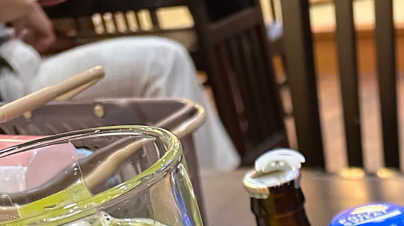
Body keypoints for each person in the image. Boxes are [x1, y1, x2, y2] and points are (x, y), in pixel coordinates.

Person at [0, 0, 240, 170]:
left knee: (164, 62)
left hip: (20, 60)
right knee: (163, 63)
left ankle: (211, 186)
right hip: (10, 87)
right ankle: (208, 190)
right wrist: (26, 8)